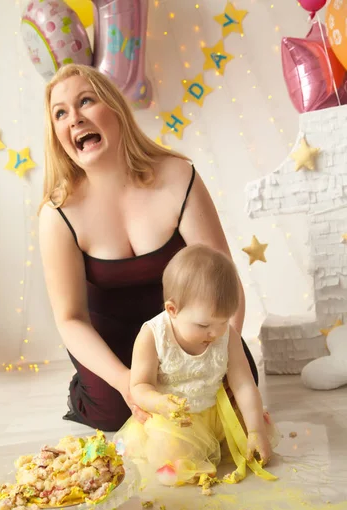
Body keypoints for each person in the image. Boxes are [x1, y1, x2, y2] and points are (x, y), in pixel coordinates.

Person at [39, 63, 258, 432]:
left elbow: (224, 275)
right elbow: (70, 318)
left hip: (183, 327)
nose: (74, 119)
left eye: (85, 101)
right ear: (57, 133)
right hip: (108, 337)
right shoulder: (58, 213)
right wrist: (125, 382)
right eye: (60, 113)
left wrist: (224, 353)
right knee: (114, 413)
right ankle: (91, 386)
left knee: (239, 384)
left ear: (115, 109)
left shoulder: (177, 175)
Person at [114, 245, 279, 486]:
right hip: (175, 420)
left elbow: (244, 385)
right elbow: (139, 386)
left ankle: (242, 438)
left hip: (217, 411)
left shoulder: (227, 335)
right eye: (203, 325)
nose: (215, 333)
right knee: (169, 448)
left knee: (251, 426)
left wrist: (255, 431)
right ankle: (182, 462)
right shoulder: (153, 336)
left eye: (223, 321)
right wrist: (158, 402)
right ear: (173, 310)